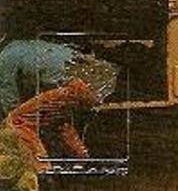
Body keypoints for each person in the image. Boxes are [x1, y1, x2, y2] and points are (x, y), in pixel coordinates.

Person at [0, 34, 119, 163]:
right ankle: (82, 159)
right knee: (58, 120)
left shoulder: (5, 57)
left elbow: (9, 96)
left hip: (79, 85)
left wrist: (8, 124)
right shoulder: (21, 45)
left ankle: (40, 169)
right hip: (98, 81)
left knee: (17, 121)